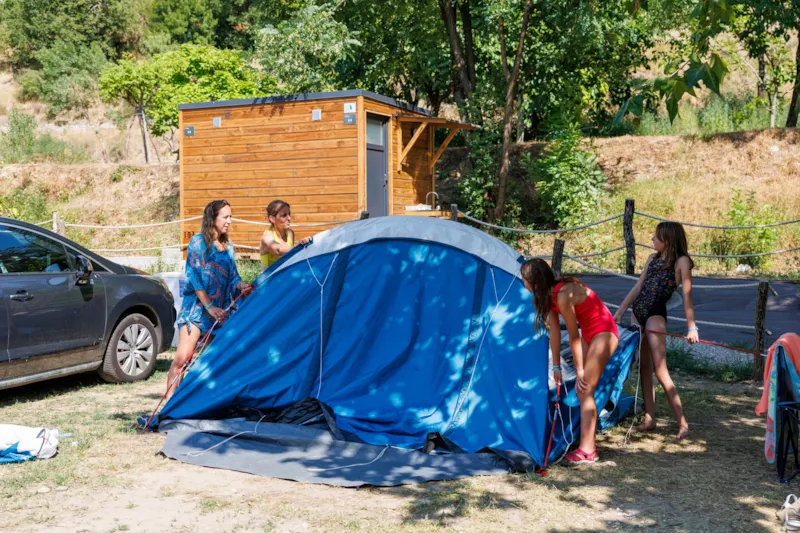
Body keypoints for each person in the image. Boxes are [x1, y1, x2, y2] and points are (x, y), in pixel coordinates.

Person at [521, 258, 619, 465]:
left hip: (604, 332)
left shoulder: (563, 295)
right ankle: (586, 444)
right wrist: (556, 366)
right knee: (583, 390)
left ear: (535, 281)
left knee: (585, 389)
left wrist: (580, 370)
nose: (523, 283)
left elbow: (573, 336)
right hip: (589, 334)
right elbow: (555, 332)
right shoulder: (545, 296)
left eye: (524, 279)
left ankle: (588, 450)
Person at [614, 221, 697, 440]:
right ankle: (650, 418)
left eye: (656, 237)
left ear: (667, 240)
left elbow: (687, 296)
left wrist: (692, 327)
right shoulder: (652, 259)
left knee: (661, 371)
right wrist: (621, 310)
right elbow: (638, 287)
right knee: (644, 368)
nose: (652, 239)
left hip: (655, 315)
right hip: (637, 312)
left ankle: (682, 422)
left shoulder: (682, 262)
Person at [166, 199, 253, 397]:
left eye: (230, 216)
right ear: (212, 218)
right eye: (225, 217)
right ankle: (168, 408)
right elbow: (195, 278)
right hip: (197, 310)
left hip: (220, 312)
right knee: (182, 360)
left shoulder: (228, 246)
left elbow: (233, 276)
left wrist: (241, 286)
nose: (229, 221)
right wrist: (209, 307)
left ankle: (202, 403)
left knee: (214, 363)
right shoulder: (198, 242)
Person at [260, 200, 311, 271]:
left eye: (289, 214)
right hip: (268, 280)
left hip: (284, 276)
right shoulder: (266, 238)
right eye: (284, 215)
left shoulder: (290, 233)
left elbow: (290, 256)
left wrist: (303, 242)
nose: (289, 218)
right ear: (272, 219)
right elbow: (279, 250)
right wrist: (301, 246)